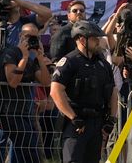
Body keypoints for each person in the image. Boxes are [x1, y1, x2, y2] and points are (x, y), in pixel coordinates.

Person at [50, 20, 115, 163]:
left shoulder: (103, 64)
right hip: (77, 124)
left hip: (97, 123)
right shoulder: (69, 61)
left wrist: (112, 118)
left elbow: (113, 92)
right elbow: (55, 91)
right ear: (82, 39)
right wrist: (73, 118)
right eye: (94, 38)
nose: (98, 41)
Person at [0, 22, 52, 163]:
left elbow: (45, 81)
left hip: (25, 111)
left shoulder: (32, 59)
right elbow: (13, 81)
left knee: (25, 146)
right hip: (8, 111)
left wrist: (40, 59)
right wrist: (23, 58)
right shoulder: (10, 53)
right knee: (25, 145)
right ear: (20, 36)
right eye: (28, 36)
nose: (31, 40)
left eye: (35, 37)